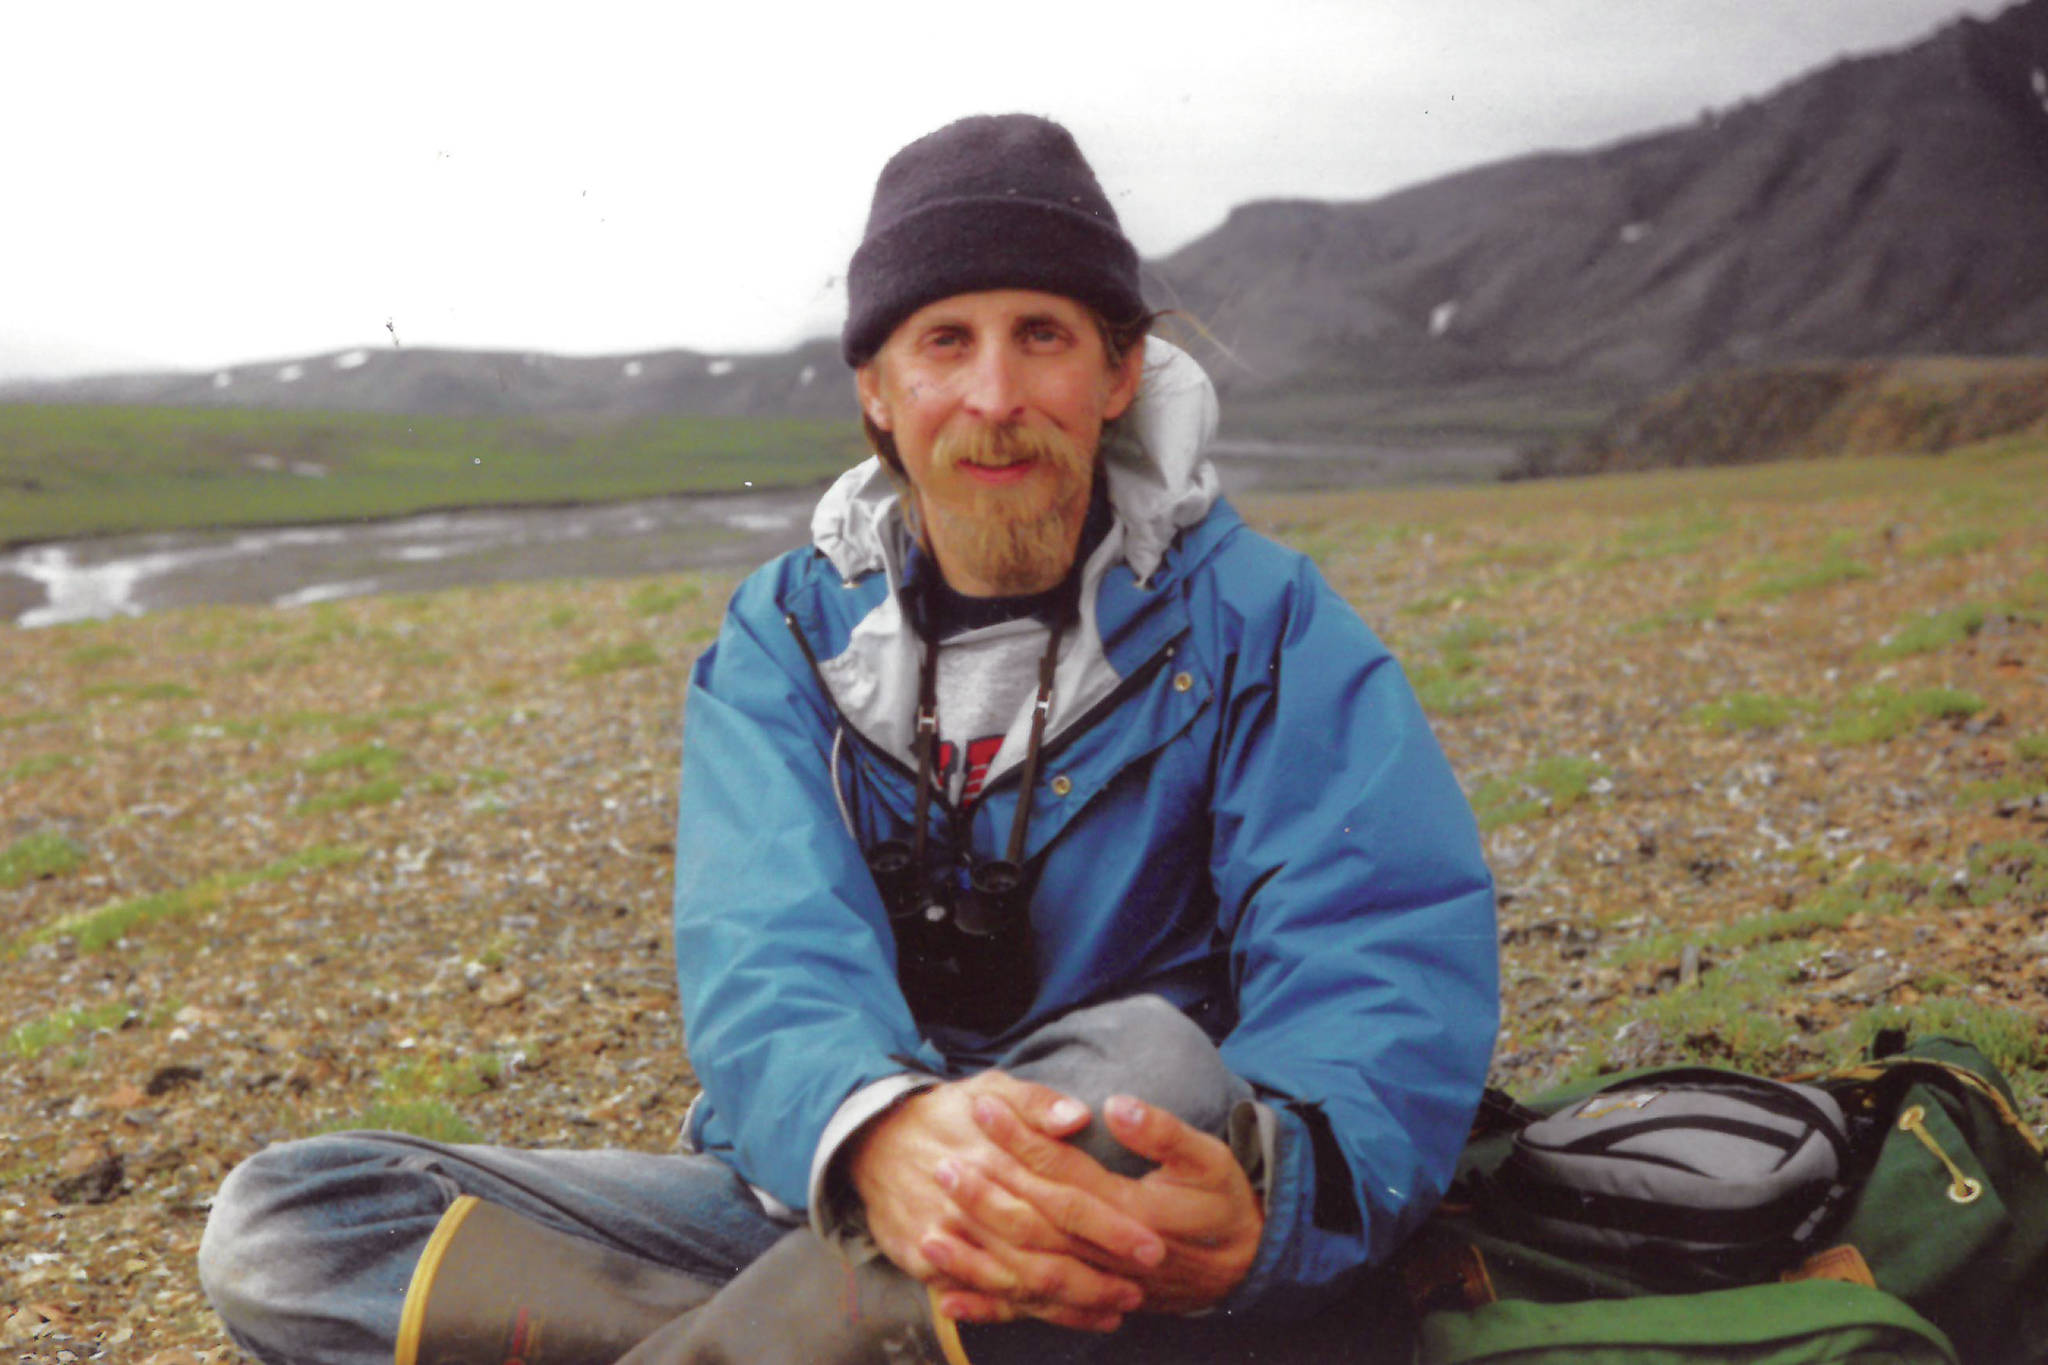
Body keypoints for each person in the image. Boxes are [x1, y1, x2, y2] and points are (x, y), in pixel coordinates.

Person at [198, 113, 1499, 1365]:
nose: (995, 395)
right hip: (843, 1196)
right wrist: (876, 1131)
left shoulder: (1262, 623)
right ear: (878, 390)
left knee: (1146, 1059)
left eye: (1041, 335)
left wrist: (1265, 1207)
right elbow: (764, 945)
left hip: (1138, 1210)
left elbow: (1375, 945)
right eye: (946, 341)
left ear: (1116, 375)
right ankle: (862, 1335)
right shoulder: (785, 635)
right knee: (293, 1224)